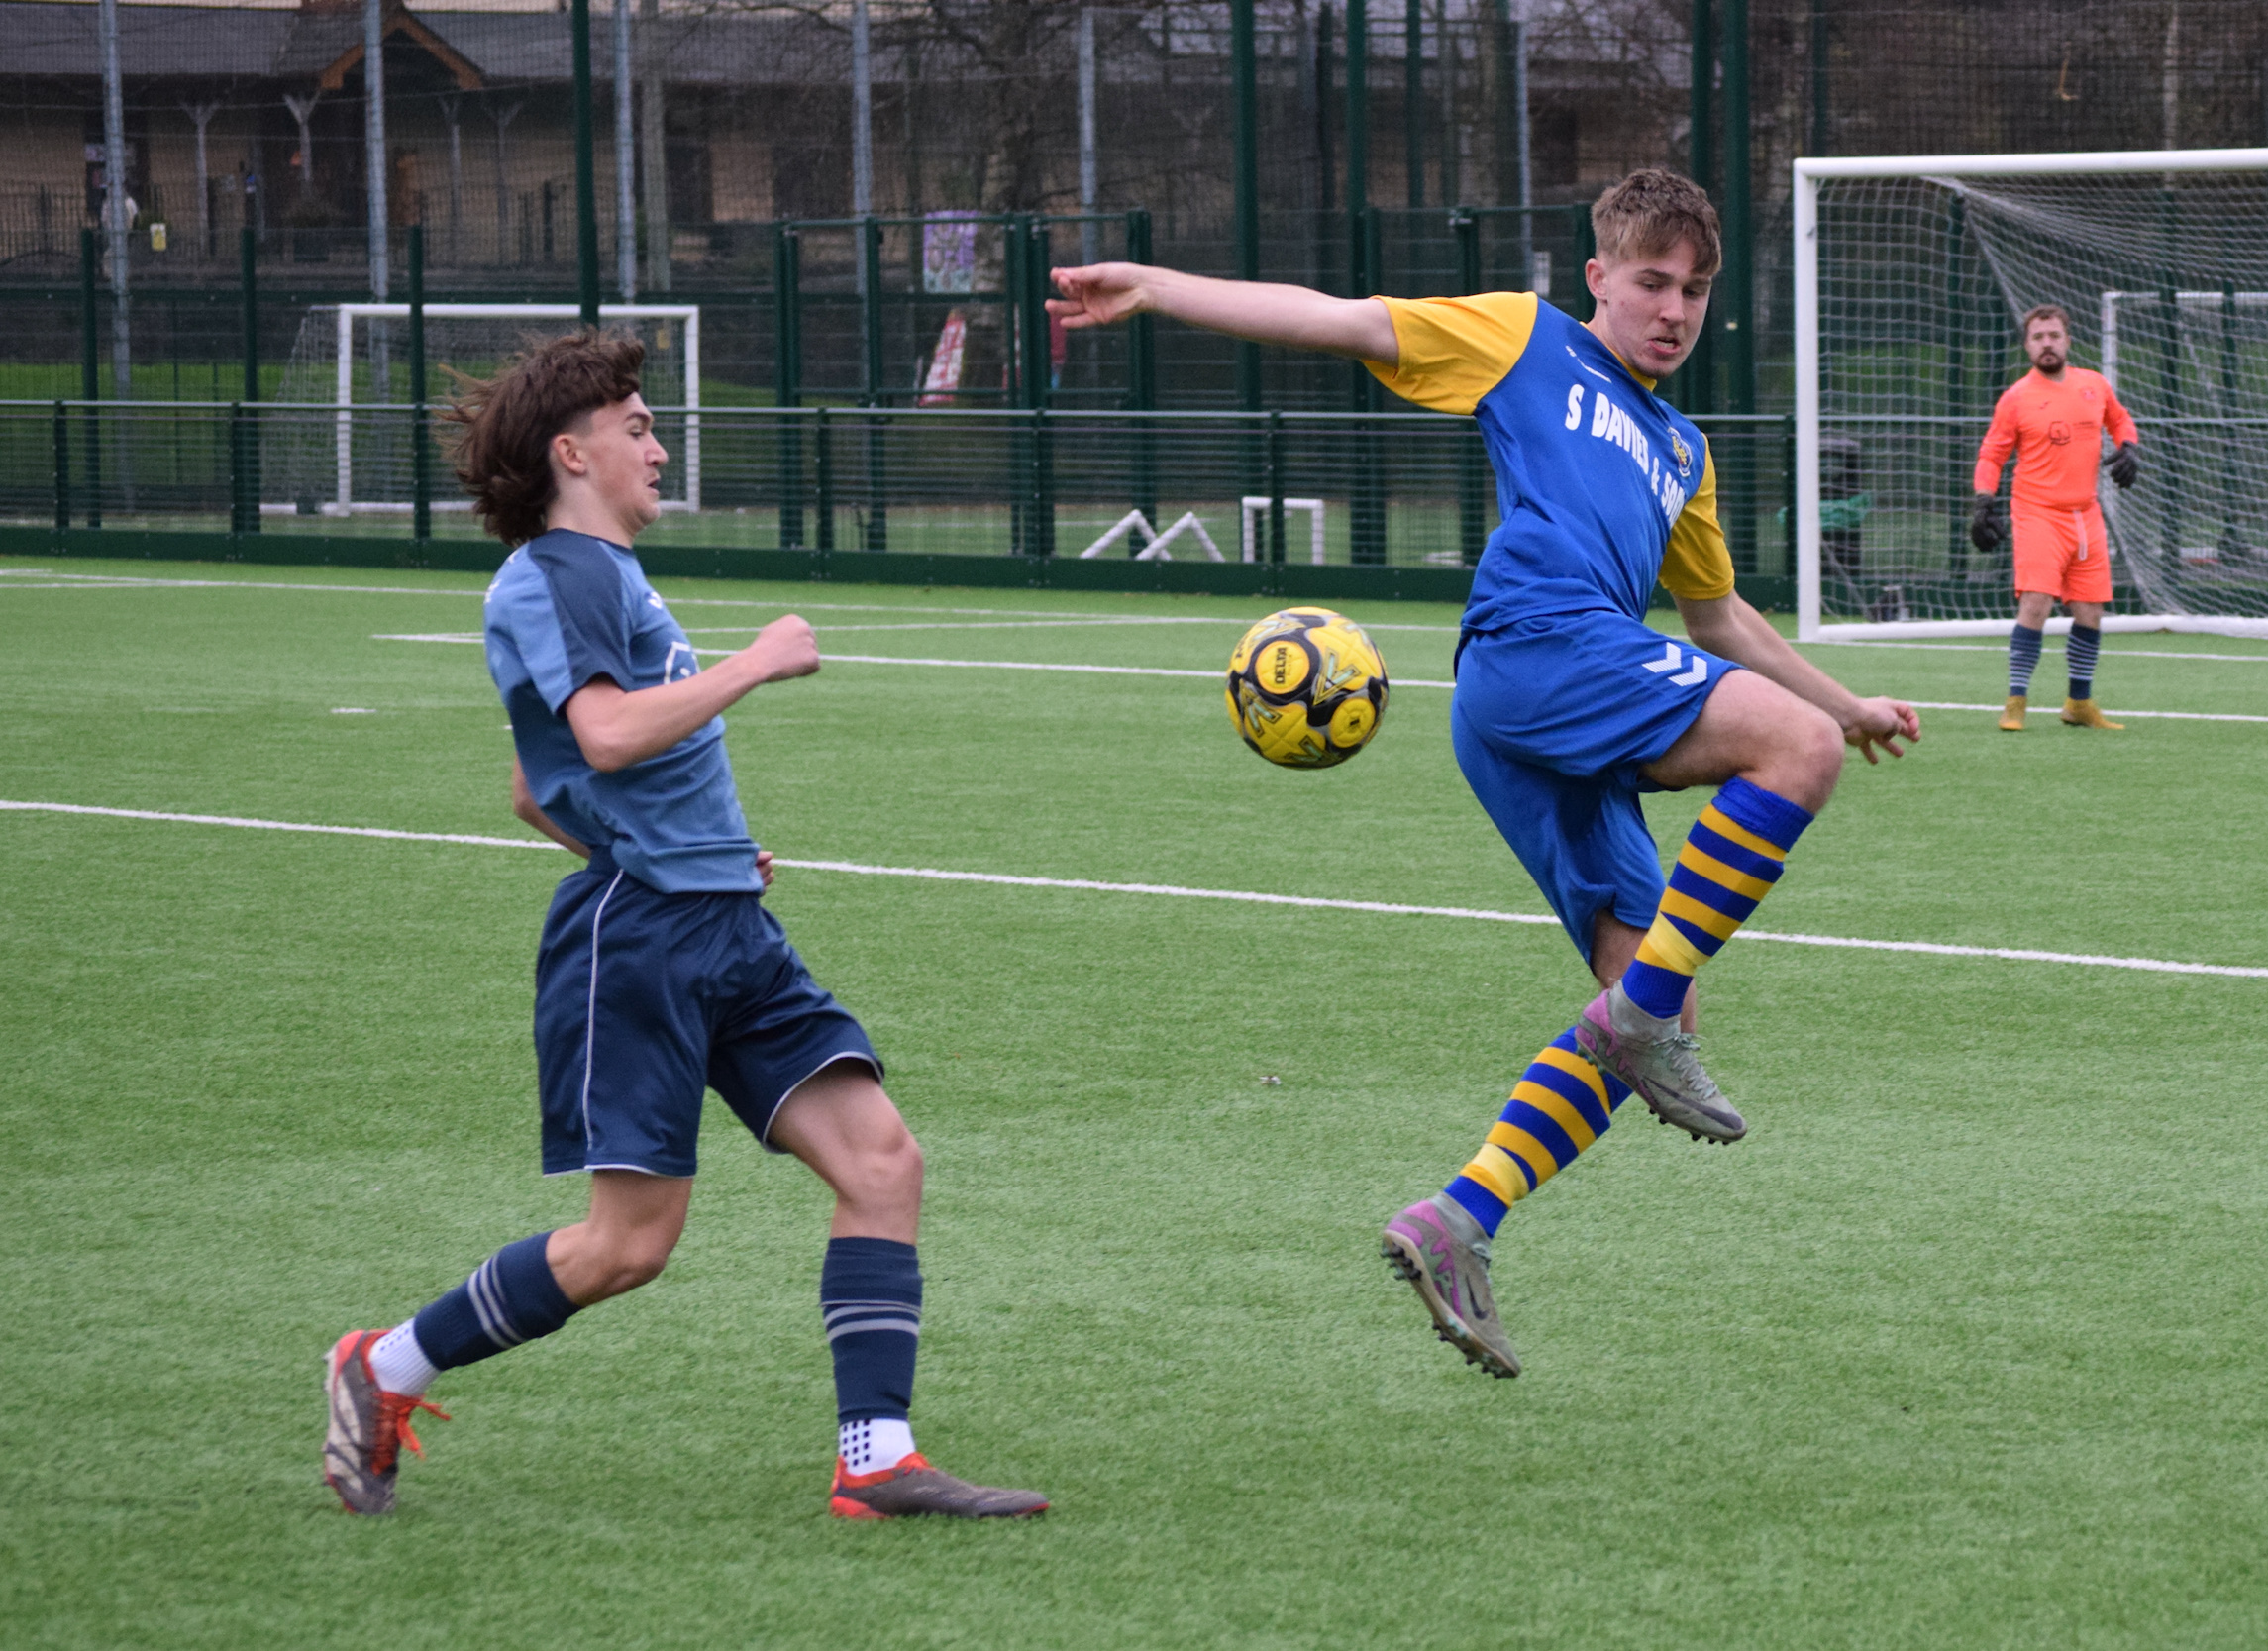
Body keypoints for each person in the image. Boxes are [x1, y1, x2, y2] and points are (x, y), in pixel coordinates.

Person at [1049, 168, 1918, 1378]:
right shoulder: (1523, 337)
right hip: (1537, 647)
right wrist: (1154, 286)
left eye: (1695, 290)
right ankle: (1637, 1022)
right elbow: (1340, 319)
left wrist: (1847, 699)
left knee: (1663, 993)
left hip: (1550, 698)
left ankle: (1458, 1219)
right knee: (1790, 761)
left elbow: (1716, 615)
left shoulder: (1682, 447)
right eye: (1652, 282)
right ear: (1598, 278)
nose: (1673, 309)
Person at [319, 331, 1046, 1521]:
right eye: (638, 425)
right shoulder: (557, 572)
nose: (659, 445)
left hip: (723, 922)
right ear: (573, 452)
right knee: (628, 1244)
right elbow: (602, 738)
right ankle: (383, 1364)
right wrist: (754, 663)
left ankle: (876, 1456)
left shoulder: (605, 576)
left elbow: (534, 786)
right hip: (641, 940)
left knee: (881, 1161)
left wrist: (694, 847)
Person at [1971, 304, 2142, 732]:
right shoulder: (2016, 398)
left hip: (2085, 514)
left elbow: (2120, 419)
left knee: (2090, 611)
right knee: (2037, 603)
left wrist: (2129, 447)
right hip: (2037, 513)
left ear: (2068, 340)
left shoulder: (2094, 385)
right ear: (2027, 346)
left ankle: (2078, 704)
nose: (2046, 344)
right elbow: (1992, 454)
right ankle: (2015, 702)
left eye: (2053, 335)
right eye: (2037, 337)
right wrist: (1982, 502)